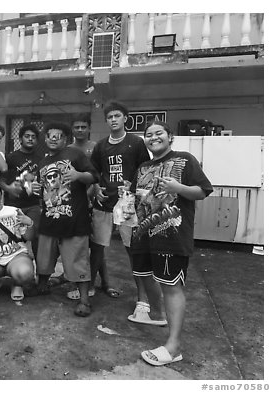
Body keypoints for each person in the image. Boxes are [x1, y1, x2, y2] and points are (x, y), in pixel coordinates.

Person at [130, 121, 212, 366]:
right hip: (144, 235)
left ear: (170, 136)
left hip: (172, 235)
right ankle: (156, 315)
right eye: (148, 135)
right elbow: (139, 198)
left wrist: (179, 187)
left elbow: (203, 190)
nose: (153, 137)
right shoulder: (143, 166)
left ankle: (174, 346)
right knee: (144, 275)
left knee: (171, 287)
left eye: (159, 133)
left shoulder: (185, 159)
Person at [89, 100, 165, 324]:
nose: (113, 119)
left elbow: (145, 171)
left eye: (117, 116)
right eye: (110, 117)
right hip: (104, 204)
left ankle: (143, 300)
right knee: (97, 248)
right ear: (106, 120)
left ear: (125, 119)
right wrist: (95, 188)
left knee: (134, 252)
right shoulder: (101, 146)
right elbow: (93, 172)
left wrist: (136, 193)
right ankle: (89, 288)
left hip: (129, 205)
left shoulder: (136, 143)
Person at [25, 122, 98, 318]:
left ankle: (84, 300)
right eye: (50, 135)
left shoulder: (76, 155)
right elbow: (42, 190)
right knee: (44, 258)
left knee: (78, 261)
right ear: (45, 139)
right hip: (49, 219)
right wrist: (37, 188)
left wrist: (78, 175)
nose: (54, 138)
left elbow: (93, 177)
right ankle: (42, 286)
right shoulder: (42, 163)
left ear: (65, 139)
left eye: (58, 135)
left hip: (75, 220)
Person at [66, 114, 119, 300]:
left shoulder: (97, 147)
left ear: (89, 128)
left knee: (98, 246)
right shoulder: (67, 150)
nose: (80, 130)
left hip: (97, 201)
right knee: (79, 246)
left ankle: (104, 283)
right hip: (75, 203)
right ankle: (78, 282)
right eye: (76, 127)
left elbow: (100, 173)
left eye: (83, 127)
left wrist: (95, 190)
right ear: (72, 129)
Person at [0, 124, 43, 259]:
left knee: (35, 237)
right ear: (20, 139)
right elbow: (1, 180)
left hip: (33, 205)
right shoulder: (11, 157)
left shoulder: (41, 158)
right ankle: (9, 267)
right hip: (13, 205)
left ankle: (39, 272)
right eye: (27, 136)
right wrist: (8, 188)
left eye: (33, 137)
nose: (30, 139)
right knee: (11, 236)